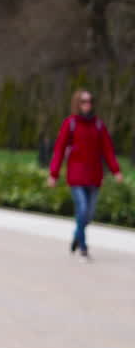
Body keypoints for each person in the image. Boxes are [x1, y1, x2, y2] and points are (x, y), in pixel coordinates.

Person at [47, 88, 123, 261]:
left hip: (95, 177)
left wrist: (116, 170)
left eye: (89, 101)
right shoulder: (70, 124)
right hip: (76, 177)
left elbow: (108, 150)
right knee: (81, 209)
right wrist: (54, 173)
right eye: (83, 101)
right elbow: (59, 149)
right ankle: (83, 247)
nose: (87, 105)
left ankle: (76, 235)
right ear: (77, 104)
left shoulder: (98, 125)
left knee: (88, 215)